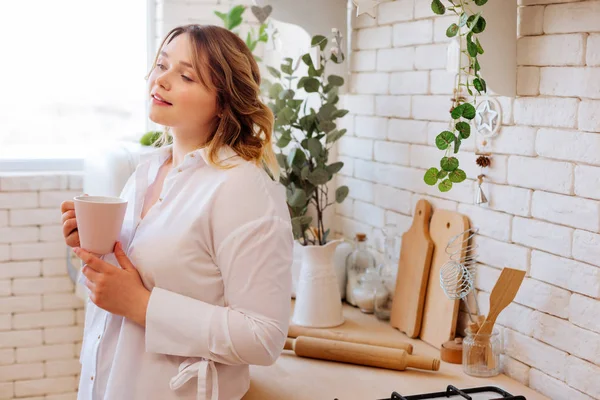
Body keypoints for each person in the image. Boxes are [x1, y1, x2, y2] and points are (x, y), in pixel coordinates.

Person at [60, 24, 294, 400]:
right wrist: (97, 247)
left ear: (223, 101)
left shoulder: (242, 189)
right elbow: (146, 273)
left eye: (186, 75)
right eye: (162, 65)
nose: (162, 80)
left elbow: (264, 336)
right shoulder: (144, 173)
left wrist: (142, 306)